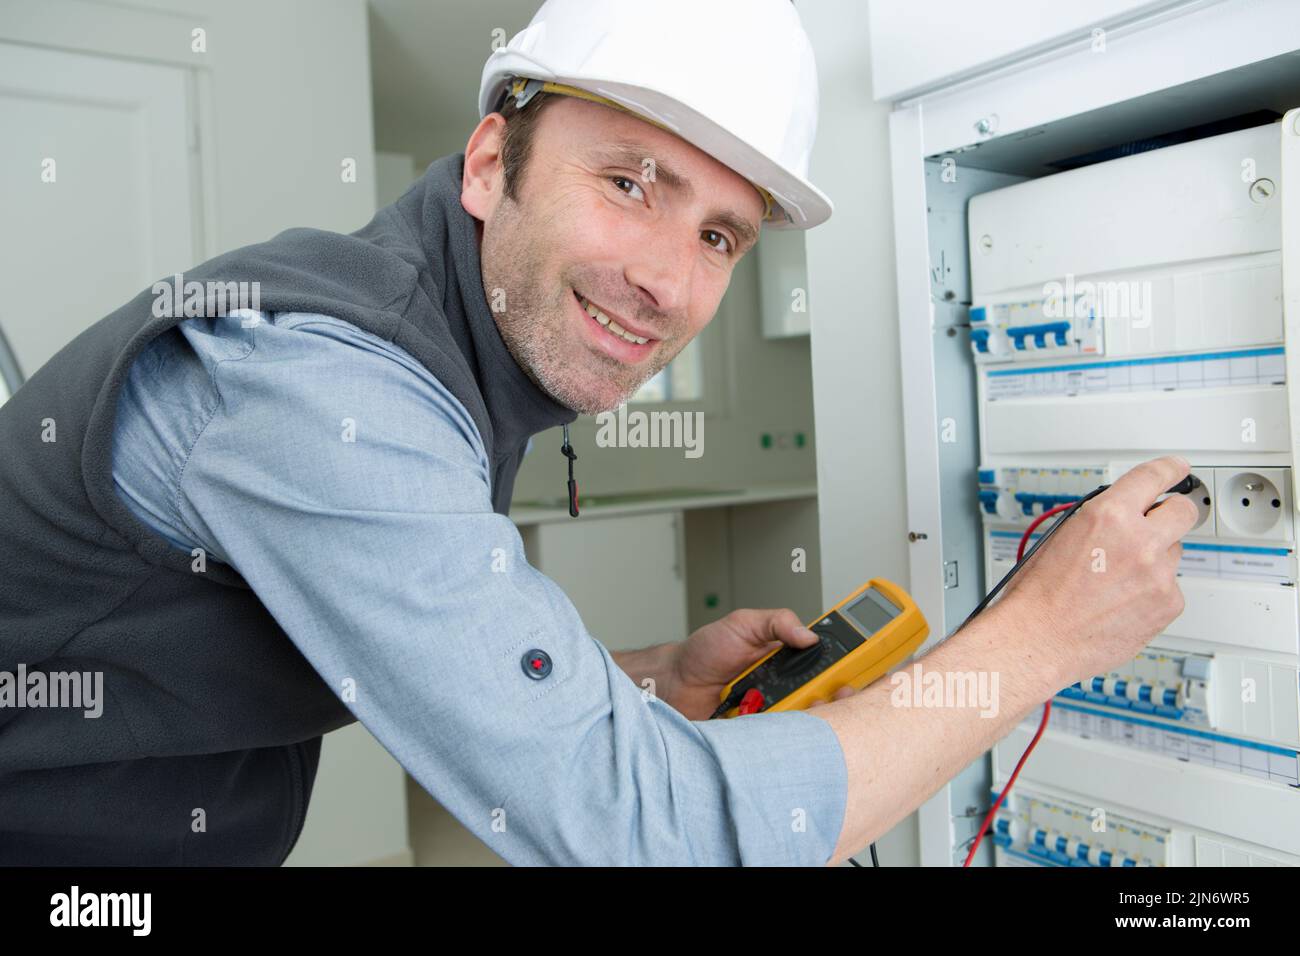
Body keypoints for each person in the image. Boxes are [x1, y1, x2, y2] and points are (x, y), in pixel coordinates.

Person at [0, 0, 1197, 866]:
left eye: (721, 236)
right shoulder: (326, 386)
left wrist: (651, 680)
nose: (671, 284)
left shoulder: (466, 348)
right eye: (630, 183)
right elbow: (639, 833)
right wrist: (1039, 639)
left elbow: (409, 645)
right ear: (487, 163)